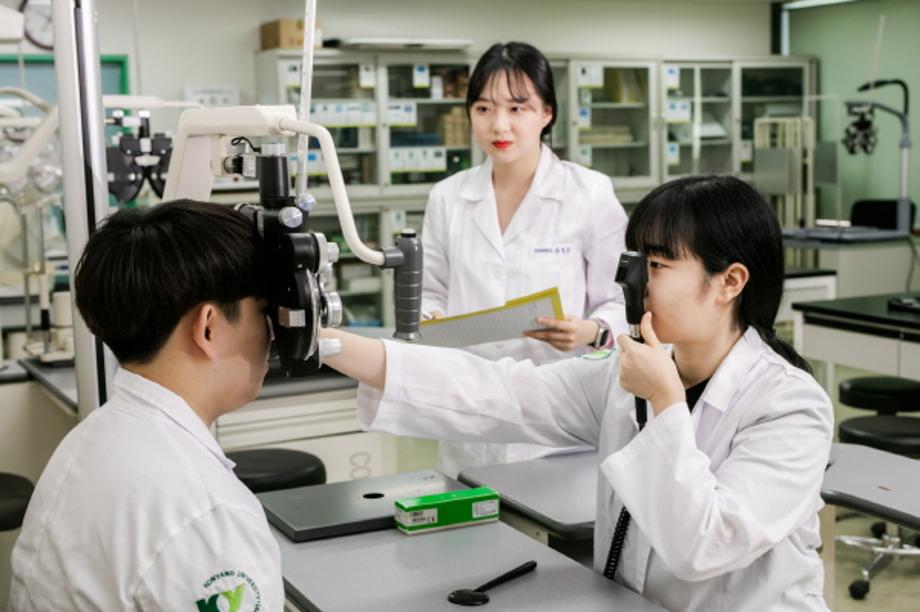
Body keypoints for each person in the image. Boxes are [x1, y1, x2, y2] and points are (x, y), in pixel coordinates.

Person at [322, 175, 834, 611]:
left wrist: (664, 401)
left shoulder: (789, 406)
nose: (635, 283)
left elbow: (703, 545)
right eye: (637, 262)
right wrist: (328, 343)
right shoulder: (624, 373)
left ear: (730, 281)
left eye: (657, 265)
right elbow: (500, 393)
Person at [9, 200, 283, 611]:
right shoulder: (206, 515)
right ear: (208, 327)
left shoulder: (89, 441)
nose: (272, 332)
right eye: (262, 311)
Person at [422, 41, 628, 476]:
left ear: (546, 113)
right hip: (471, 407)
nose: (500, 124)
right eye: (484, 108)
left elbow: (622, 299)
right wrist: (432, 320)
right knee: (471, 510)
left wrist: (591, 331)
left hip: (558, 407)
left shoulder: (588, 193)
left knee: (553, 513)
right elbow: (430, 290)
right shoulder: (448, 197)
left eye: (518, 108)